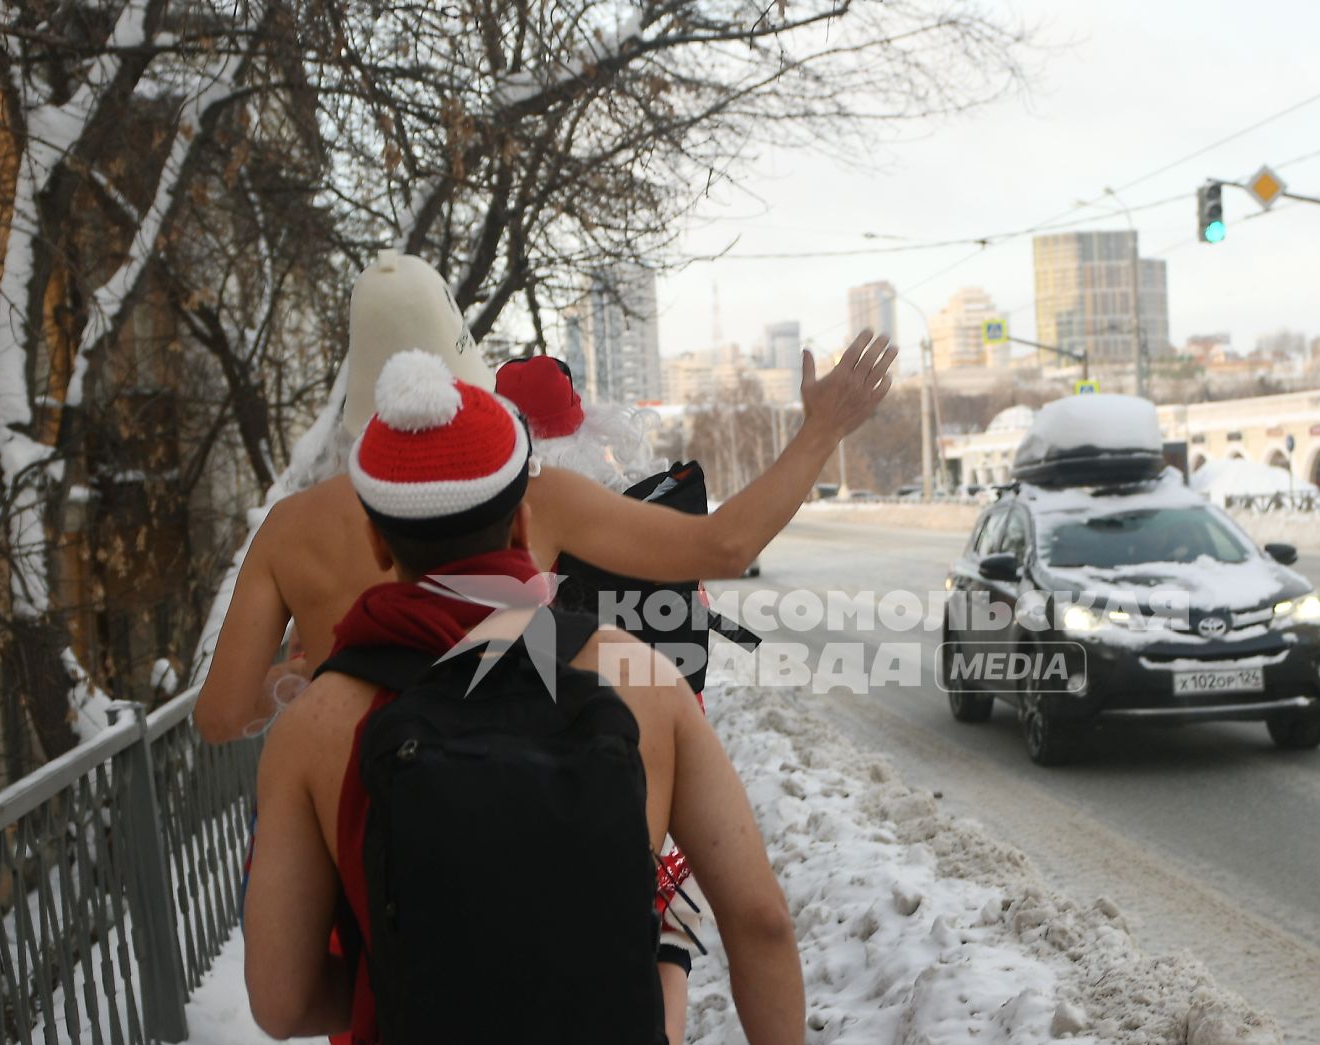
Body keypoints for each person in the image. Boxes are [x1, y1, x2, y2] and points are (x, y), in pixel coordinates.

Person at [243, 351, 812, 1045]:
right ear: (522, 517)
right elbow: (760, 919)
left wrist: (436, 991)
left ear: (381, 543)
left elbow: (277, 999)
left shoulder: (315, 725)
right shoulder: (634, 675)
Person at [194, 250, 894, 742]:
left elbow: (221, 717)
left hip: (345, 843)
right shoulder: (531, 495)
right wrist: (821, 430)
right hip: (501, 823)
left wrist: (306, 675)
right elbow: (724, 545)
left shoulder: (289, 528)